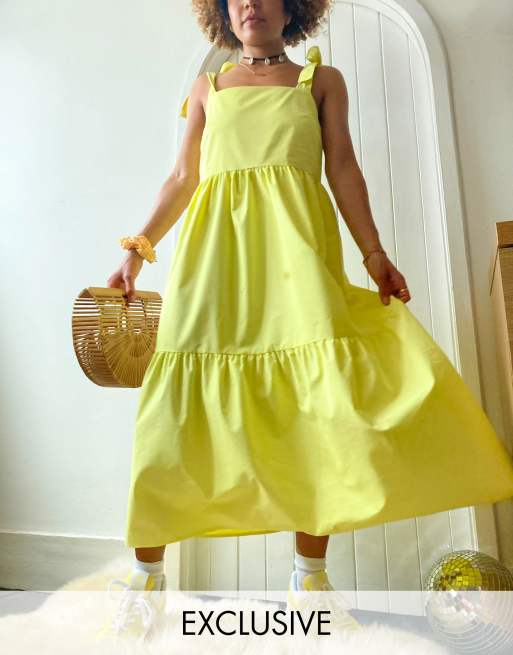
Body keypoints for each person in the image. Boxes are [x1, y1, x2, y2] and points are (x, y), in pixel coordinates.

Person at [97, 0, 513, 643]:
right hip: (216, 261)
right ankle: (145, 580)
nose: (250, 4)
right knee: (173, 411)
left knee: (314, 410)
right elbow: (182, 176)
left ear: (291, 8)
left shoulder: (321, 81)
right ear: (222, 12)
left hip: (298, 258)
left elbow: (342, 168)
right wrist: (135, 252)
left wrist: (374, 255)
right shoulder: (207, 89)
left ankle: (309, 580)